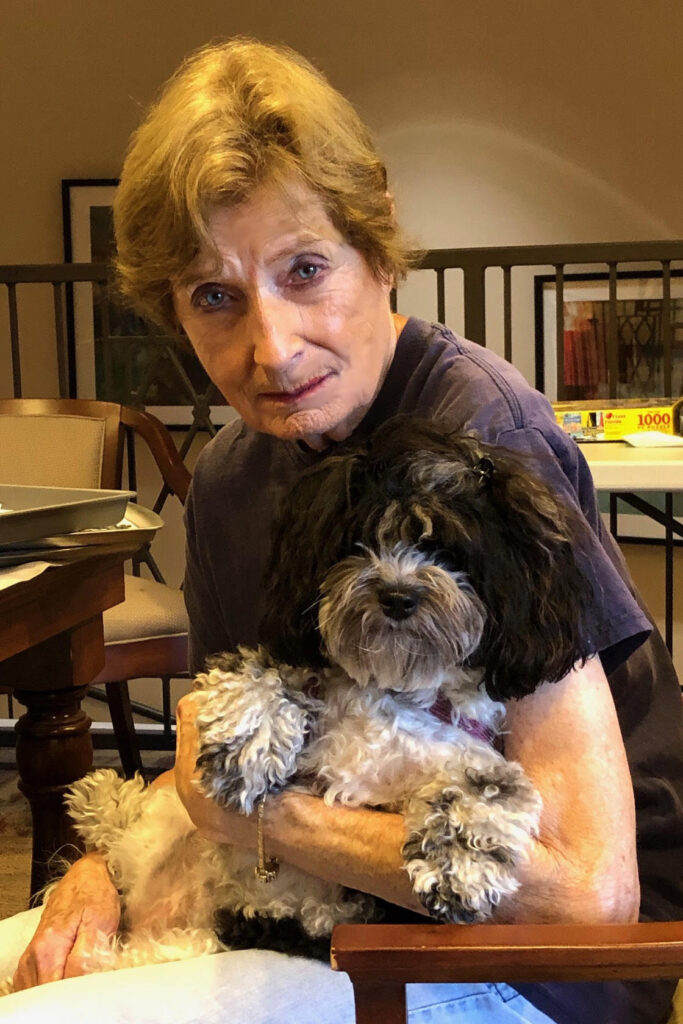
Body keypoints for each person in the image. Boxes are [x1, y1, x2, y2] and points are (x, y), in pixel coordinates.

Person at [2, 37, 683, 1024]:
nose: (272, 348)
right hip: (312, 912)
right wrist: (103, 869)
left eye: (305, 269)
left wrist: (265, 821)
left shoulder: (481, 440)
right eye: (214, 296)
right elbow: (219, 766)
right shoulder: (233, 478)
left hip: (534, 966)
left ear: (379, 247)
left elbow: (585, 895)